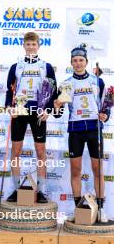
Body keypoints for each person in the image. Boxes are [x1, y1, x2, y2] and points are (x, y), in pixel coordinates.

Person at [54, 46, 110, 222]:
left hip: (95, 129)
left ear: (86, 62)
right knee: (76, 170)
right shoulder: (65, 84)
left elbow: (105, 107)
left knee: (97, 169)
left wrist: (105, 115)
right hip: (76, 130)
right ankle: (78, 208)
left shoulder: (97, 81)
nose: (78, 63)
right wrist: (57, 107)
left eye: (81, 60)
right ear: (71, 63)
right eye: (75, 60)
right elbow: (57, 112)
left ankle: (100, 209)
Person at [5, 32, 59, 203]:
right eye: (28, 44)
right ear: (24, 46)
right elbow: (9, 90)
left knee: (41, 152)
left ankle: (41, 190)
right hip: (20, 112)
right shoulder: (16, 66)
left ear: (38, 45)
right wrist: (8, 107)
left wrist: (48, 110)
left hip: (38, 112)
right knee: (16, 152)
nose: (31, 47)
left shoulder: (46, 66)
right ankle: (15, 189)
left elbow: (53, 91)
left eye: (33, 44)